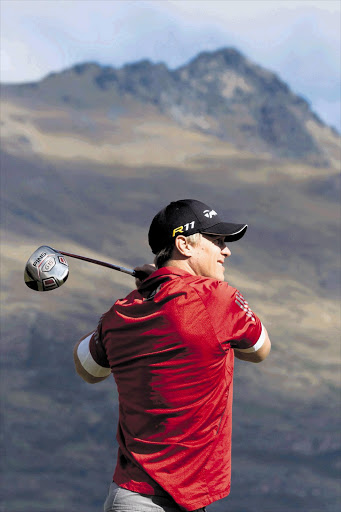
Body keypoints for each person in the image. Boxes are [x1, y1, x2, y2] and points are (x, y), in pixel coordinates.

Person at [73, 199, 271, 512]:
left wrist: (147, 292)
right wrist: (163, 287)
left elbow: (88, 367)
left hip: (131, 496)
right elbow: (260, 349)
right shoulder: (217, 299)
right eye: (217, 241)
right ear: (184, 245)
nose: (226, 251)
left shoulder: (121, 313)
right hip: (171, 500)